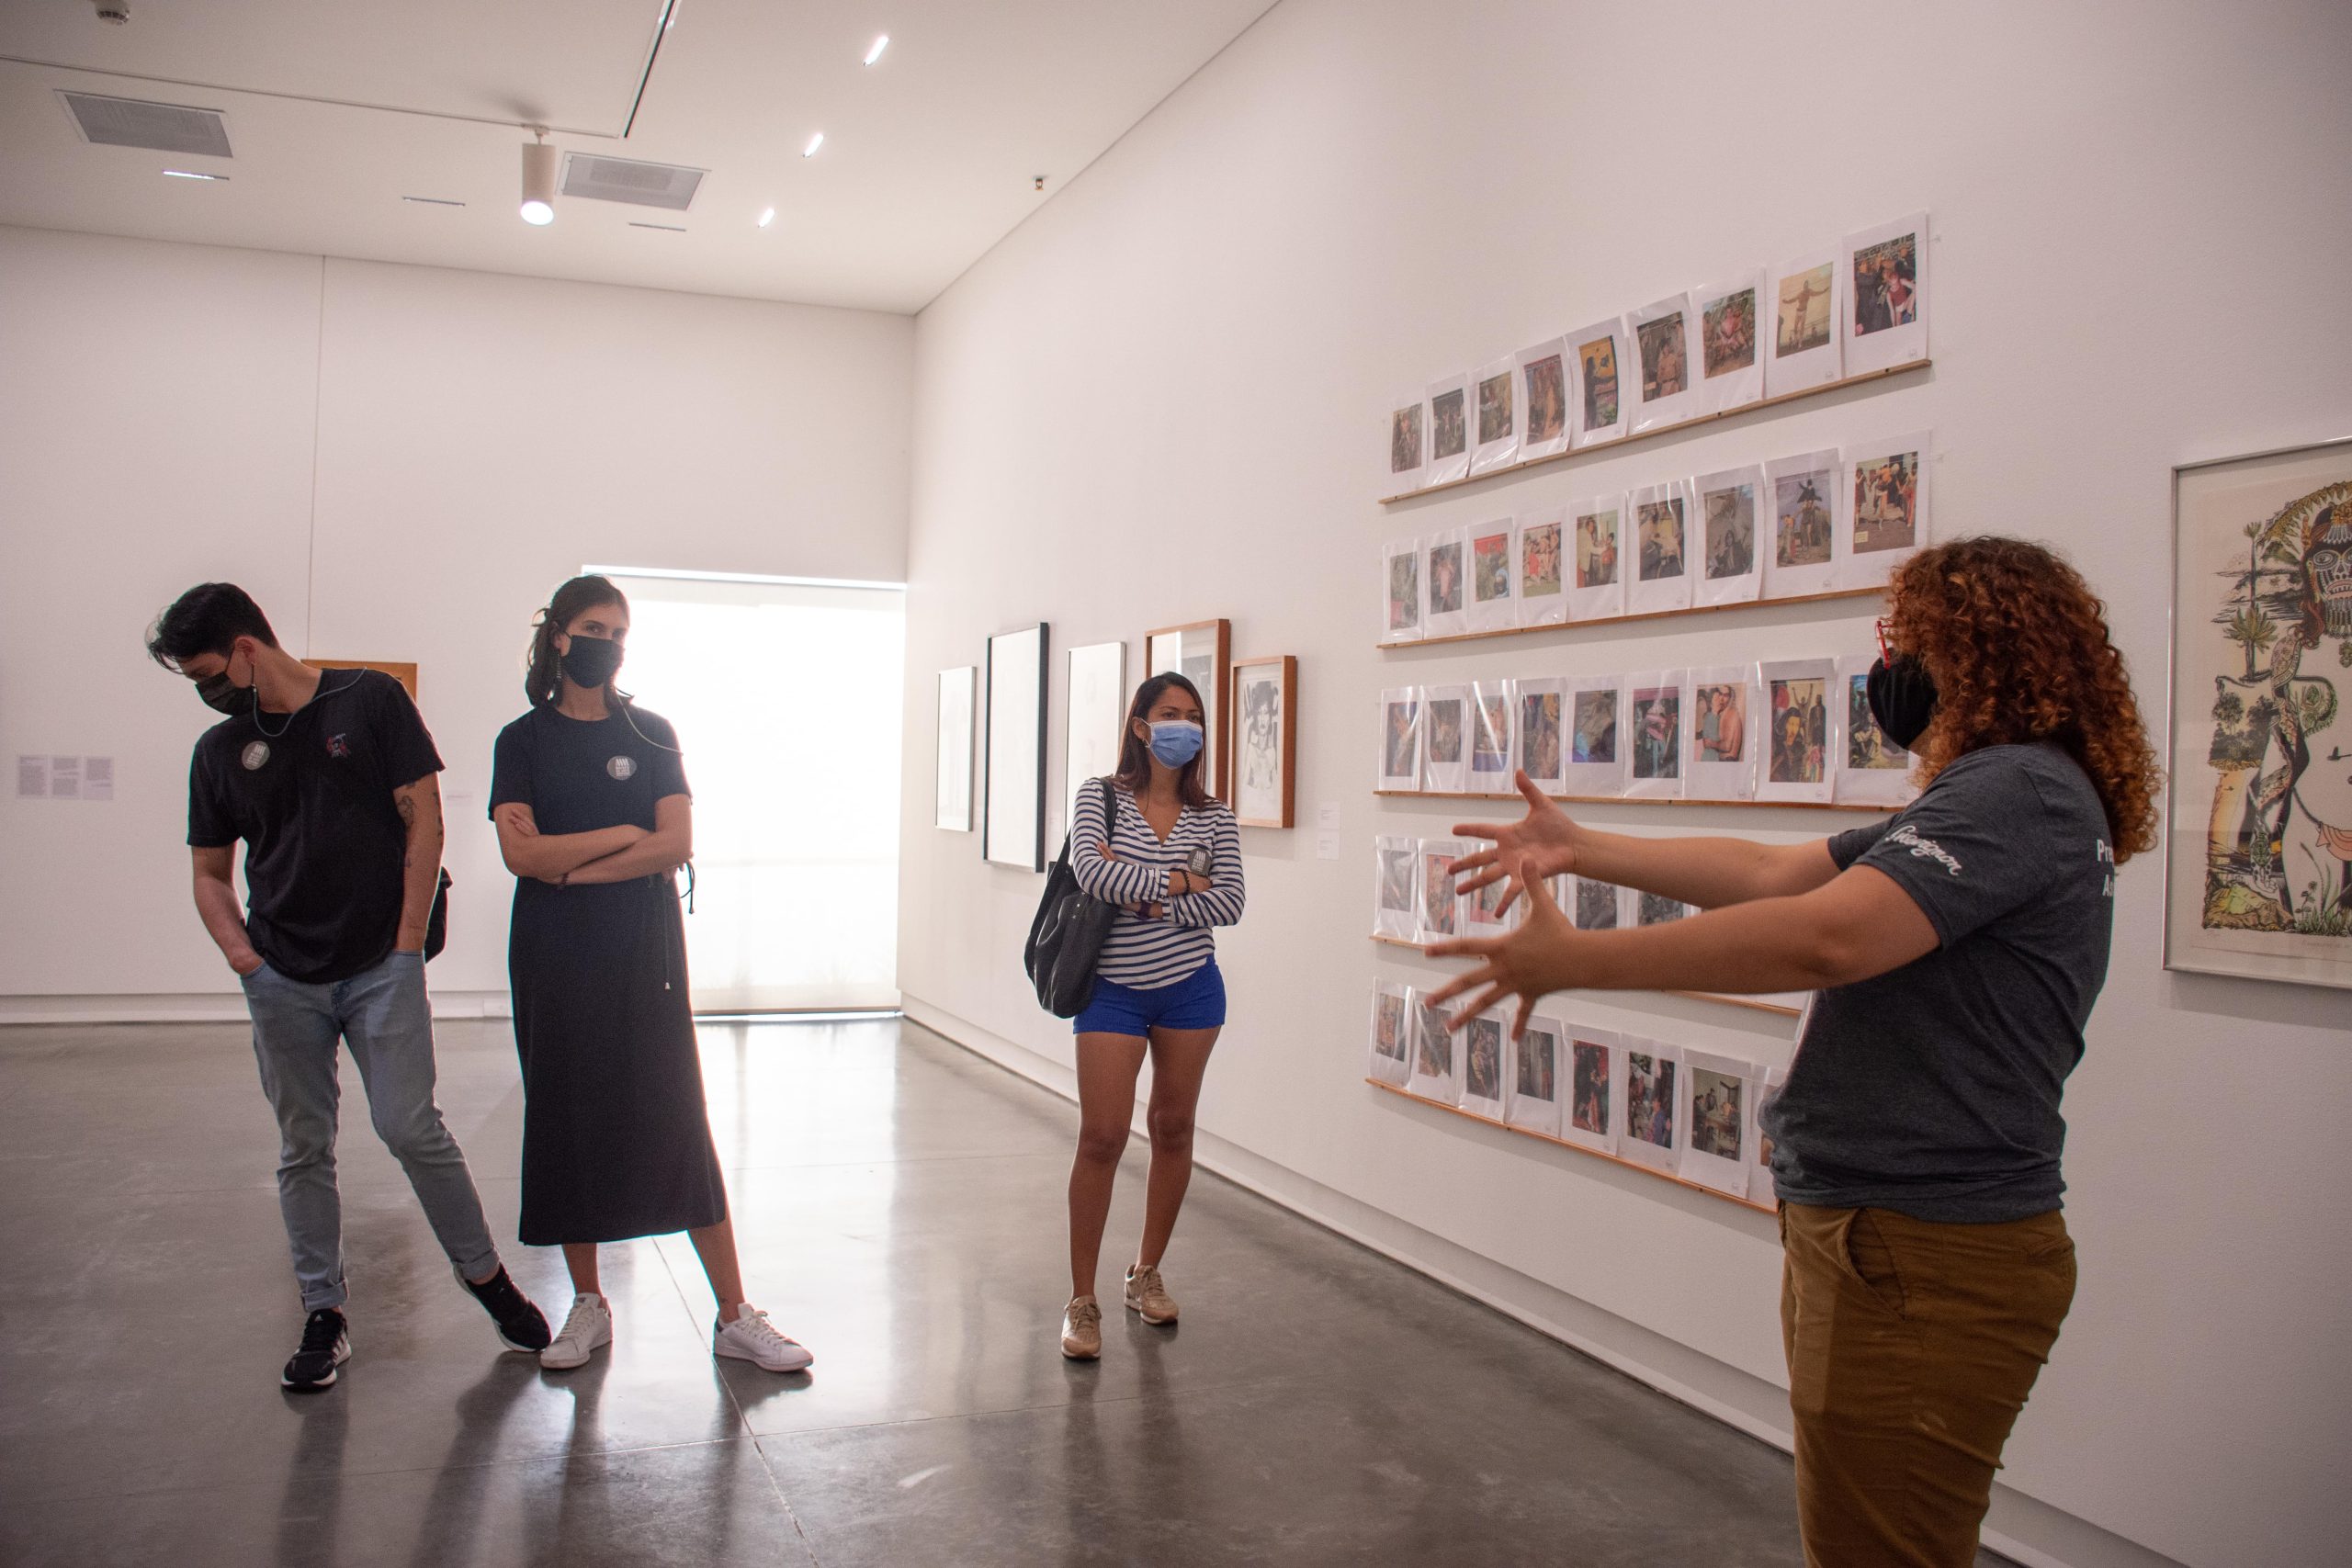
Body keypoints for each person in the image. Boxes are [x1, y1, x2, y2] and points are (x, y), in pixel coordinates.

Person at [1425, 536, 2160, 1567]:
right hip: (1888, 1234)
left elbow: (1831, 936)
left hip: (1922, 1243)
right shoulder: (2005, 792)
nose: (1889, 669)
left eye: (1907, 642)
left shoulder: (2016, 794)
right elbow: (1776, 874)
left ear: (1978, 650)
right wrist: (1584, 847)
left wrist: (1577, 958)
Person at [147, 583, 549, 1389]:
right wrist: (243, 959)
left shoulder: (369, 700)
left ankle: (485, 1278)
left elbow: (424, 819)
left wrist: (405, 947)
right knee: (304, 1150)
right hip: (282, 978)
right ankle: (323, 1313)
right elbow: (208, 870)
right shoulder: (218, 753)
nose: (207, 691)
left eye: (207, 672)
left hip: (378, 969)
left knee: (412, 1128)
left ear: (246, 648)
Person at [489, 576, 811, 1375]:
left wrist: (573, 865)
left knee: (676, 1115)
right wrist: (618, 834)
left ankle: (735, 1312)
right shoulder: (520, 741)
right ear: (559, 635)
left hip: (645, 954)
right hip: (554, 957)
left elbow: (673, 844)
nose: (609, 641)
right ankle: (590, 1304)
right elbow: (519, 854)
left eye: (620, 630)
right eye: (594, 626)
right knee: (564, 1114)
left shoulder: (654, 731)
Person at [1055, 673, 1245, 1360]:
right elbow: (1092, 875)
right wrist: (1182, 882)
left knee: (1172, 1127)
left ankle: (1145, 1272)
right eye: (1170, 714)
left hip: (1192, 988)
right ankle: (1082, 1300)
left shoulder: (1214, 815)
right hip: (1112, 988)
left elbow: (1231, 902)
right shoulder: (1098, 798)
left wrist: (1155, 895)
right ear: (1140, 725)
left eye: (1193, 716)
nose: (1184, 727)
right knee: (1102, 1136)